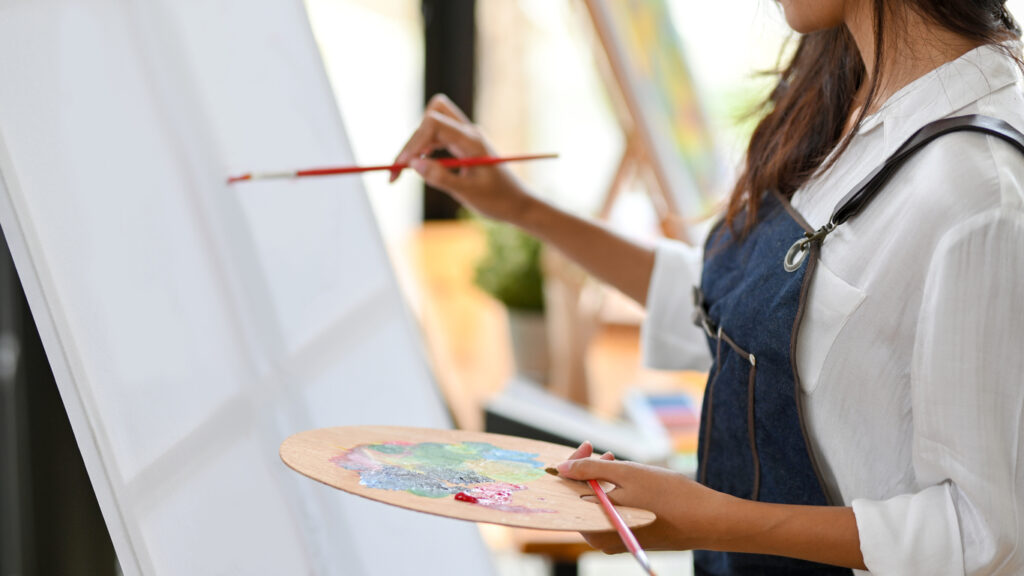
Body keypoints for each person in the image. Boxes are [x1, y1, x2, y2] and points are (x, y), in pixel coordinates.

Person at [392, 1, 1024, 574]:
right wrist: (522, 207)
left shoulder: (978, 192)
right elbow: (729, 307)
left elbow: (985, 531)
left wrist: (707, 518)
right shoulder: (848, 89)